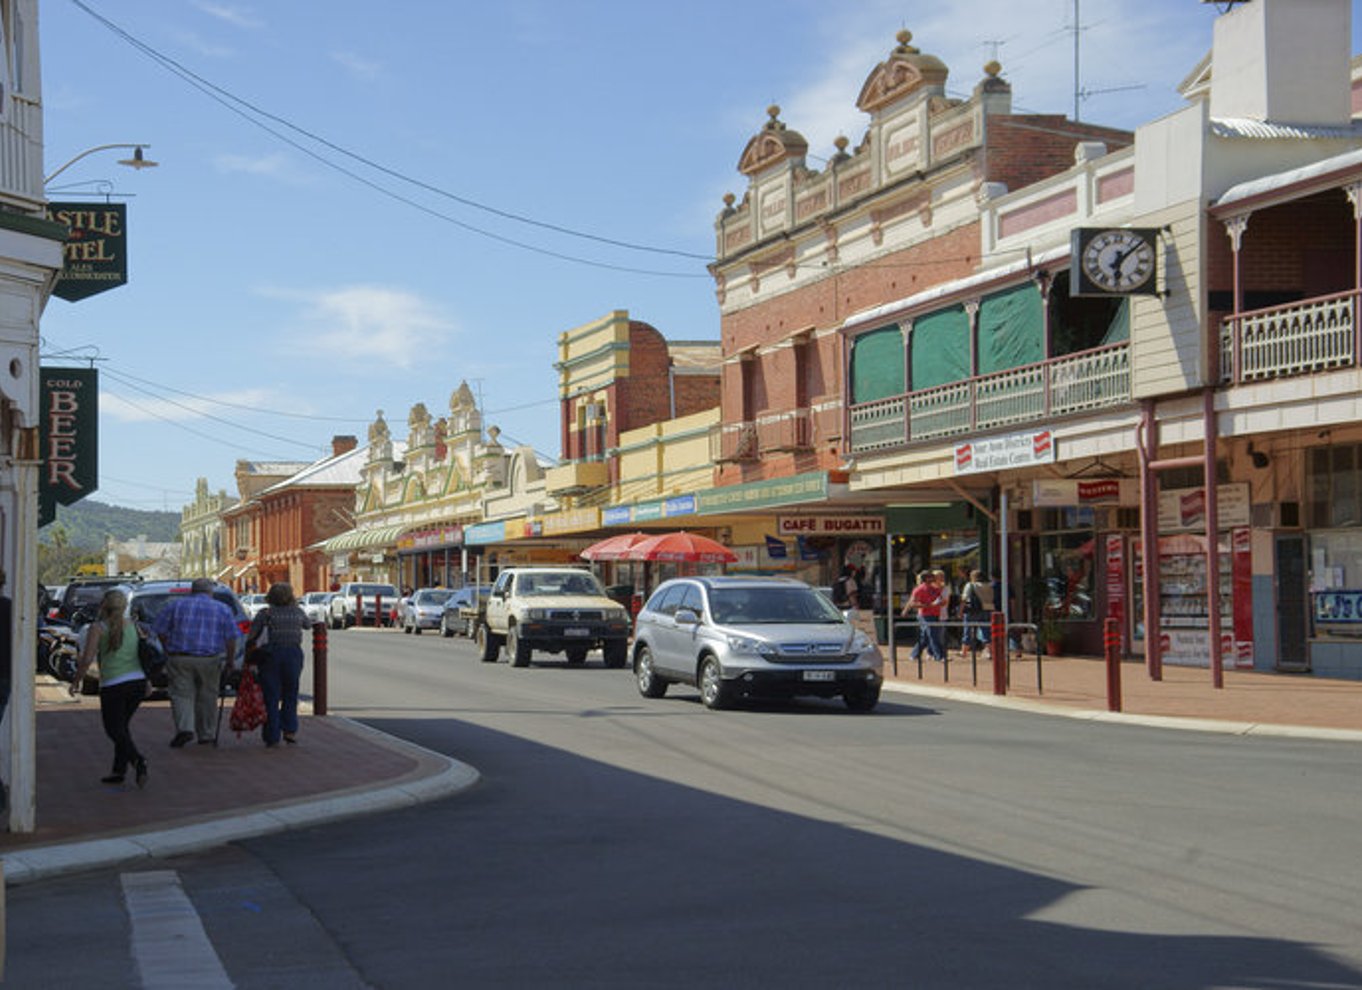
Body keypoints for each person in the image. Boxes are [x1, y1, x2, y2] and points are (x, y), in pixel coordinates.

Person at [70, 588, 149, 787]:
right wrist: (148, 680)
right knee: (122, 727)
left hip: (113, 684)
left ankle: (137, 759)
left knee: (113, 729)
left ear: (104, 605)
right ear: (123, 606)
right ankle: (118, 770)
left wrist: (76, 680)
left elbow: (87, 658)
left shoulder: (98, 628)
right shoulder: (134, 626)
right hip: (136, 682)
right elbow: (143, 655)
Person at [152, 577, 239, 748]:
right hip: (210, 659)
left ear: (192, 590)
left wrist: (167, 648)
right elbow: (231, 638)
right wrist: (230, 660)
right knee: (207, 696)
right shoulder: (222, 609)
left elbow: (160, 630)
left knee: (181, 694)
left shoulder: (175, 606)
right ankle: (206, 733)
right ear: (210, 592)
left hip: (180, 656)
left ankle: (185, 727)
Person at [246, 582, 310, 749]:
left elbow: (252, 636)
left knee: (271, 696)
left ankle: (272, 735)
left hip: (270, 655)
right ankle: (289, 730)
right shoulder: (297, 612)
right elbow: (308, 625)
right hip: (293, 654)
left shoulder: (265, 614)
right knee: (291, 693)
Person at [901, 570, 945, 662]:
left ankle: (914, 654)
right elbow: (913, 603)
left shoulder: (936, 589)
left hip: (935, 614)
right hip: (925, 615)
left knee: (925, 637)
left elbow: (941, 600)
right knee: (933, 635)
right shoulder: (919, 589)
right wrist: (927, 605)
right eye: (930, 577)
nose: (933, 578)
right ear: (925, 579)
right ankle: (939, 656)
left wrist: (940, 602)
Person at [959, 568, 995, 658]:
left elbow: (964, 599)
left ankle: (964, 651)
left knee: (967, 630)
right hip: (987, 609)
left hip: (973, 610)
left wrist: (960, 611)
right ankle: (989, 651)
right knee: (986, 630)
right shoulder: (990, 585)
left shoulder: (971, 585)